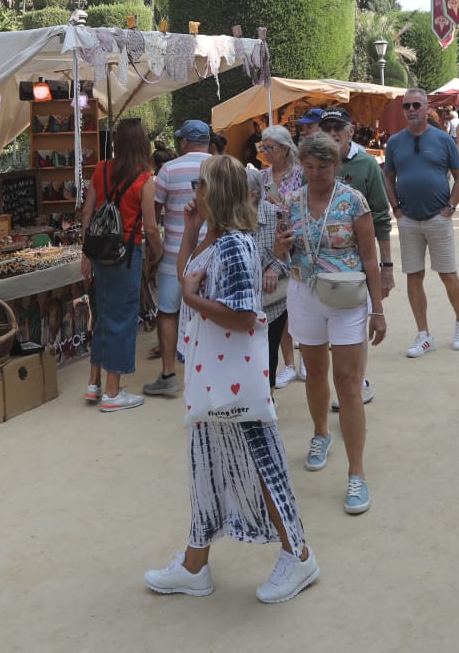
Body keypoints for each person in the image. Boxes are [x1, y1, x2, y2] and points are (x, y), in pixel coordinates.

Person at [145, 156, 319, 604]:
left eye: (200, 186)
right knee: (205, 466)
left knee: (262, 464)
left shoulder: (235, 247)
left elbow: (244, 316)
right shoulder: (216, 239)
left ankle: (298, 555)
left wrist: (191, 299)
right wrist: (191, 230)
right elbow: (188, 274)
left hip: (231, 379)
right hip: (214, 377)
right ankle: (194, 563)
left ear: (217, 191)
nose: (193, 193)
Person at [278, 133, 386, 515]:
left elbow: (370, 259)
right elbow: (281, 251)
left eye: (322, 167)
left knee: (348, 383)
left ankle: (356, 472)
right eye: (308, 167)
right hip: (304, 293)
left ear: (335, 166)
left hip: (346, 296)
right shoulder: (290, 202)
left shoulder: (353, 202)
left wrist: (378, 309)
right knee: (316, 372)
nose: (315, 174)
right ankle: (320, 433)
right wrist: (279, 247)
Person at [78, 117, 161, 412]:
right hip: (126, 254)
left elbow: (87, 212)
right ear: (143, 143)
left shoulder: (100, 170)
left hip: (100, 253)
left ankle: (93, 383)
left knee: (102, 315)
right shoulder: (145, 180)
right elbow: (150, 228)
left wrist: (85, 253)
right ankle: (112, 393)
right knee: (122, 320)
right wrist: (159, 252)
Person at [383, 88, 459, 358]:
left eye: (416, 105)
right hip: (408, 219)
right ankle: (424, 334)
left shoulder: (442, 139)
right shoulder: (395, 142)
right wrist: (396, 208)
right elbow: (388, 177)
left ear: (426, 106)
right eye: (406, 105)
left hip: (438, 218)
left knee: (448, 273)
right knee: (414, 275)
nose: (411, 109)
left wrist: (450, 208)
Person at [316, 109, 393, 409]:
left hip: (357, 262)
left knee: (354, 325)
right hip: (320, 263)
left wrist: (386, 267)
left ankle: (357, 382)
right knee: (326, 327)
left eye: (338, 127)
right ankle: (343, 381)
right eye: (327, 128)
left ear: (350, 131)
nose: (332, 133)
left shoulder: (366, 165)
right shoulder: (312, 164)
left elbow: (381, 217)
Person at [144, 121, 212, 399]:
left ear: (184, 142)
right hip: (211, 252)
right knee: (210, 313)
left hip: (173, 254)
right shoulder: (222, 166)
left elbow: (154, 212)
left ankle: (169, 373)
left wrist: (153, 251)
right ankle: (209, 374)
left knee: (168, 312)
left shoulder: (168, 170)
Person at [252, 126, 304, 389]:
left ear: (285, 148)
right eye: (264, 148)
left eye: (270, 148)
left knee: (302, 305)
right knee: (280, 305)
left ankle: (304, 356)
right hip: (273, 247)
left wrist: (282, 206)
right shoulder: (260, 177)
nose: (266, 153)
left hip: (299, 245)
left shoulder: (302, 174)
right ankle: (289, 364)